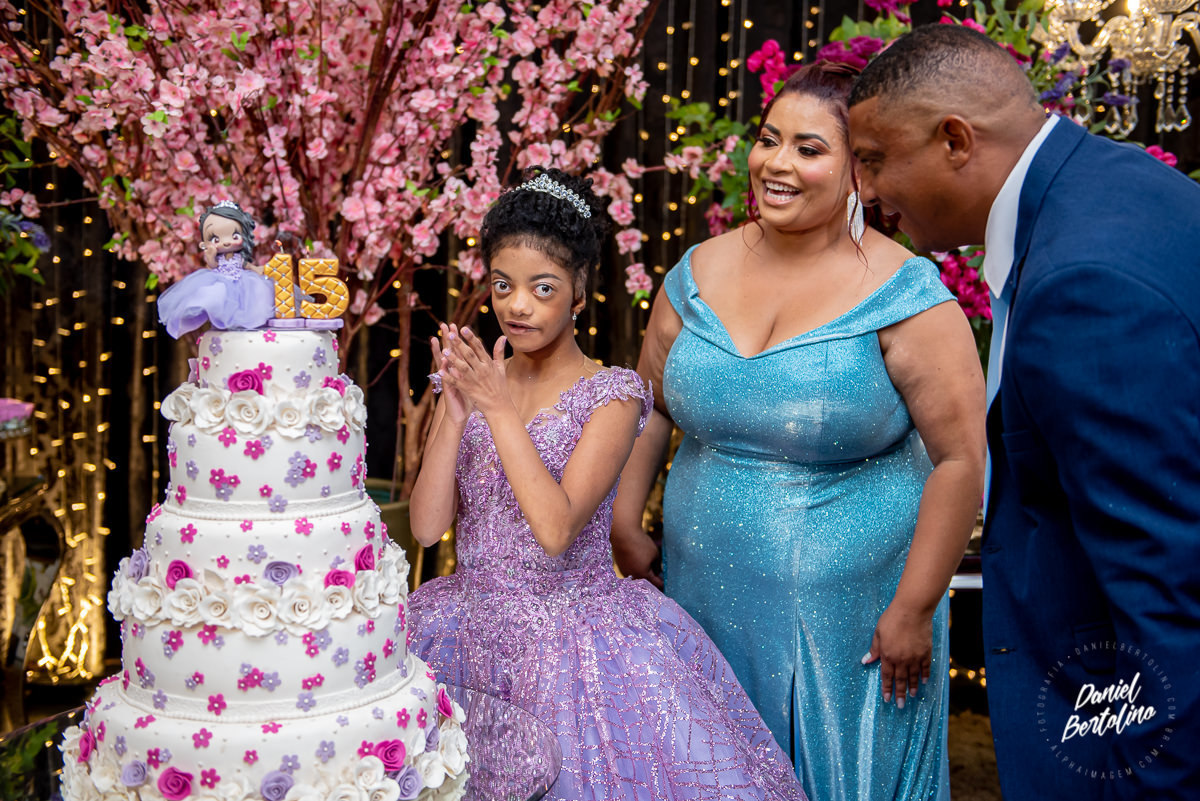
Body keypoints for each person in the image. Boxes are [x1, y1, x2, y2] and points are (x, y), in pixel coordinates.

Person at [611, 63, 985, 801]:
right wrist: (624, 518)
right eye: (768, 139)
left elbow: (961, 461)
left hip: (855, 626)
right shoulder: (695, 272)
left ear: (861, 172)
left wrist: (914, 607)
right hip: (701, 597)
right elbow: (651, 405)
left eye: (809, 149)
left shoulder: (906, 295)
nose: (776, 163)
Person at [847, 24, 1200, 799]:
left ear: (954, 140)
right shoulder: (1116, 182)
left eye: (873, 159)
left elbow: (1170, 587)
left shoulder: (1085, 284)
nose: (865, 191)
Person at [406, 167, 807, 801]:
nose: (517, 305)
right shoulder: (478, 383)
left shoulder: (612, 394)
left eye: (542, 288)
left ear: (579, 291)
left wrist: (498, 409)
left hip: (571, 646)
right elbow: (428, 528)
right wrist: (454, 416)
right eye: (503, 285)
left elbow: (556, 530)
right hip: (462, 629)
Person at [157, 200, 275, 338]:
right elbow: (213, 265)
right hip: (221, 280)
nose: (226, 242)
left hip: (242, 282)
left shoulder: (239, 257)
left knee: (257, 293)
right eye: (216, 239)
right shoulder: (217, 257)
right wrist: (211, 256)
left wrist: (257, 269)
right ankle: (224, 325)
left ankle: (244, 326)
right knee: (215, 296)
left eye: (235, 236)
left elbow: (246, 265)